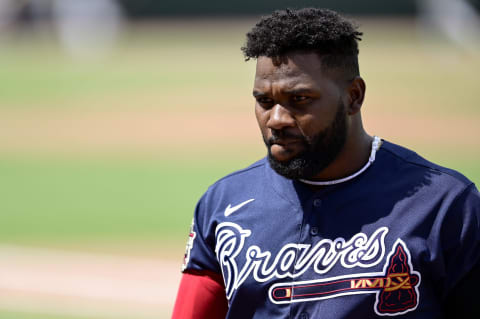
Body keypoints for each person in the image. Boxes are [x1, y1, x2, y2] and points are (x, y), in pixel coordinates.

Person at [172, 8, 480, 319]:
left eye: (300, 99)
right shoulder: (224, 204)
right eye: (264, 101)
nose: (276, 120)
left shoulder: (446, 205)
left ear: (353, 97)